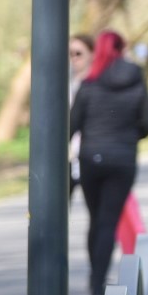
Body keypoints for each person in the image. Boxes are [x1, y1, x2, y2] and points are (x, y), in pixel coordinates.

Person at [72, 29, 148, 295]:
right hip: (123, 160)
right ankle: (98, 286)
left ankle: (95, 279)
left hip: (91, 159)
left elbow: (72, 124)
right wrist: (129, 137)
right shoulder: (136, 80)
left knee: (96, 219)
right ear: (122, 49)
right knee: (109, 221)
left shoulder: (90, 83)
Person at [68, 34, 94, 198]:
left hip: (91, 155)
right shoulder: (63, 84)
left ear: (92, 54)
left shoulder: (100, 84)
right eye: (70, 54)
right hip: (68, 155)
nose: (74, 58)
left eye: (78, 53)